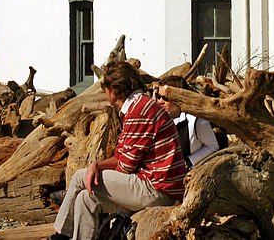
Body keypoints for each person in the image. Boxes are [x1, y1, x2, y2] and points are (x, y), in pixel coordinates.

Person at [50, 62, 187, 240]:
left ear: (113, 89)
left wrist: (97, 169)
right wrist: (97, 166)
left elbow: (126, 166)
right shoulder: (138, 107)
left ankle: (60, 235)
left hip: (158, 190)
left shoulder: (140, 110)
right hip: (152, 184)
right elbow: (122, 157)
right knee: (86, 197)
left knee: (79, 178)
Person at [156, 76, 222, 168]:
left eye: (165, 98)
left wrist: (189, 161)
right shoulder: (157, 121)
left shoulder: (196, 121)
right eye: (158, 96)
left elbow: (212, 146)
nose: (160, 102)